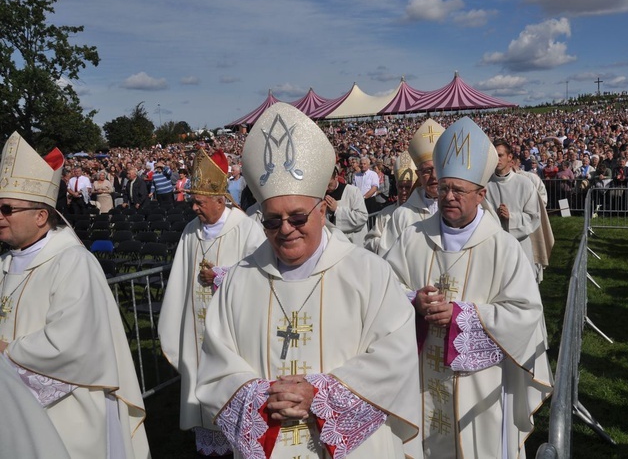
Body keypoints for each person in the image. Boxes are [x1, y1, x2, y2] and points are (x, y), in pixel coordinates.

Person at [195, 103, 421, 458]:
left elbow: (397, 356)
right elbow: (215, 364)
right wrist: (258, 396)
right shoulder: (240, 280)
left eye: (297, 217)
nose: (285, 229)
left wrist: (320, 394)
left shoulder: (367, 272)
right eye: (272, 220)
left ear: (321, 209)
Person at [384, 117, 552, 459]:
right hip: (421, 378)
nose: (448, 197)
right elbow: (384, 290)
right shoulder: (412, 238)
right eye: (444, 188)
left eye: (459, 190)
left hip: (481, 386)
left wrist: (462, 316)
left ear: (481, 194)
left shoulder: (501, 247)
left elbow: (526, 312)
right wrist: (413, 301)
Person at [0, 132, 150, 459]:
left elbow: (74, 345)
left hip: (68, 413)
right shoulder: (6, 262)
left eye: (7, 208)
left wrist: (7, 354)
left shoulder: (74, 263)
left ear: (41, 216)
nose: (0, 216)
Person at [159, 148, 266, 456]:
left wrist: (223, 276)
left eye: (199, 202)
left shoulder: (246, 229)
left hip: (234, 335)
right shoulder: (191, 231)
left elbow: (261, 275)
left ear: (221, 200)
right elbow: (180, 280)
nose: (193, 207)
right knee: (205, 422)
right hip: (197, 336)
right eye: (193, 201)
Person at [378, 119, 444, 256]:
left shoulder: (462, 209)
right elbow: (388, 259)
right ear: (418, 175)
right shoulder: (402, 215)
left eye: (438, 168)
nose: (433, 176)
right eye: (426, 171)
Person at [485, 139, 541, 275]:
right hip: (495, 245)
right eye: (494, 156)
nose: (497, 159)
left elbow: (534, 217)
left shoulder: (524, 183)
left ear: (510, 157)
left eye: (500, 155)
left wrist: (511, 217)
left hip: (520, 244)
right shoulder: (486, 184)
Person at [364, 151, 417, 254]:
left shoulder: (423, 213)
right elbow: (369, 241)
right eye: (401, 187)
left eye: (408, 187)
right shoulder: (385, 213)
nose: (404, 191)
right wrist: (387, 244)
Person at [324, 165, 368, 245]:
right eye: (324, 185)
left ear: (336, 177)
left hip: (353, 243)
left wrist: (337, 210)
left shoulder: (353, 191)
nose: (326, 188)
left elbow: (362, 217)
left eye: (329, 184)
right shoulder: (321, 195)